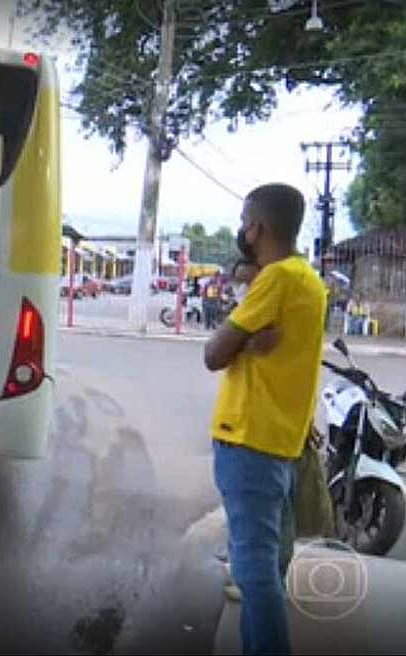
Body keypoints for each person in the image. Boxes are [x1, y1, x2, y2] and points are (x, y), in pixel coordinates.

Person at [203, 183, 327, 656]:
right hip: (281, 443)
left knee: (254, 571)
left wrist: (237, 337)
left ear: (257, 227)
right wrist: (246, 341)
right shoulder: (310, 281)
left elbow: (213, 353)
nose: (242, 230)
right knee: (269, 566)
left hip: (248, 438)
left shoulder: (275, 279)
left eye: (244, 220)